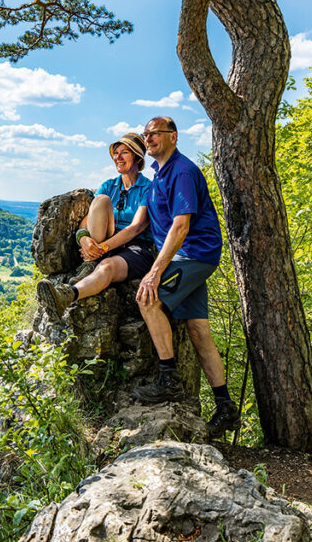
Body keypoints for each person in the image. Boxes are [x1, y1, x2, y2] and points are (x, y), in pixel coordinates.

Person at [132, 116, 239, 438]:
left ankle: (169, 381)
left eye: (155, 134)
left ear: (173, 137)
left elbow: (181, 225)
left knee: (147, 299)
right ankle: (226, 407)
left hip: (194, 253)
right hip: (188, 256)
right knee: (199, 331)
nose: (148, 139)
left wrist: (154, 271)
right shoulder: (159, 174)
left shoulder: (182, 171)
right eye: (145, 134)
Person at [37, 132, 155, 322]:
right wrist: (84, 239)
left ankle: (66, 295)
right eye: (116, 153)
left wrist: (103, 249)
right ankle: (90, 263)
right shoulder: (109, 185)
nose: (118, 157)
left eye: (124, 152)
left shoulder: (149, 188)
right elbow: (88, 219)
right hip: (104, 243)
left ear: (137, 157)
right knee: (100, 200)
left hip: (135, 248)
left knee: (107, 267)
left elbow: (137, 227)